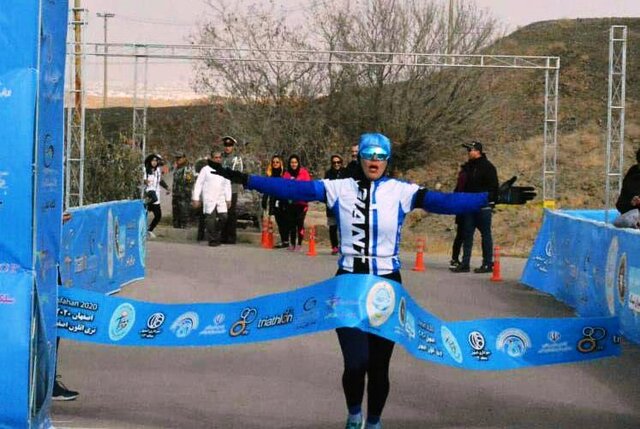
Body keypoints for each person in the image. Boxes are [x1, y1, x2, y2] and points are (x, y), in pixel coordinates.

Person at [208, 132, 502, 429]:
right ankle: (354, 416)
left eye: (381, 156)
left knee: (379, 367)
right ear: (359, 157)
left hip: (387, 284)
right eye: (369, 154)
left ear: (387, 160)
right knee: (355, 363)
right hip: (349, 282)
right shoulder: (340, 188)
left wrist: (487, 197)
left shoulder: (400, 191)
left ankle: (373, 422)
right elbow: (292, 187)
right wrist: (245, 179)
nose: (374, 160)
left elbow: (445, 201)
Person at [450, 141, 499, 274]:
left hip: (483, 206)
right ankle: (465, 263)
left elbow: (494, 187)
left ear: (478, 151)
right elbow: (461, 186)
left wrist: (489, 201)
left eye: (470, 150)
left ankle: (487, 263)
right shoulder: (468, 167)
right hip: (468, 205)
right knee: (467, 235)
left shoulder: (488, 167)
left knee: (486, 235)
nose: (468, 152)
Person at [192, 151, 232, 247]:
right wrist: (196, 198)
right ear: (211, 158)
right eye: (216, 157)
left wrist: (228, 198)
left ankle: (214, 233)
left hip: (221, 198)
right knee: (211, 220)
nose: (218, 159)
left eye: (219, 157)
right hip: (209, 198)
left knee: (224, 217)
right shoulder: (205, 170)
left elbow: (227, 185)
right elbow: (198, 184)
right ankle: (213, 240)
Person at [283, 155, 312, 251]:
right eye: (292, 162)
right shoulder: (286, 174)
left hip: (301, 203)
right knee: (291, 224)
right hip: (290, 203)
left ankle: (299, 243)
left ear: (298, 163)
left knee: (299, 223)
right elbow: (284, 187)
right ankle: (292, 243)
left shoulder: (304, 173)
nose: (294, 164)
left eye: (295, 162)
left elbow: (308, 186)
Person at [261, 155, 290, 248]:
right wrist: (264, 199)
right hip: (274, 199)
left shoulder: (284, 174)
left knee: (284, 220)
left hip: (283, 199)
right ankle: (284, 240)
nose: (275, 164)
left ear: (280, 163)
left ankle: (286, 240)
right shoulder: (270, 174)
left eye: (277, 162)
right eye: (273, 162)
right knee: (279, 220)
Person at [220, 136, 243, 244]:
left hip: (232, 188)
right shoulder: (221, 157)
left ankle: (231, 236)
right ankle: (223, 235)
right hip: (221, 189)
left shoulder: (236, 159)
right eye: (226, 145)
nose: (227, 147)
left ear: (233, 146)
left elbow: (238, 173)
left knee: (231, 213)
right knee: (222, 212)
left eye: (229, 145)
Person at [143, 153, 170, 238]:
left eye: (156, 161)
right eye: (153, 160)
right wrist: (145, 181)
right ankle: (142, 231)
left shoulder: (157, 170)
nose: (154, 162)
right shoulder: (145, 169)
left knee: (158, 215)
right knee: (144, 213)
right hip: (148, 194)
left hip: (156, 195)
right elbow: (143, 179)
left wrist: (167, 187)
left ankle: (149, 230)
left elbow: (160, 180)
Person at [613, 148, 640, 228]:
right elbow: (621, 204)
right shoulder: (633, 173)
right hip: (632, 214)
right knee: (628, 219)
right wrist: (632, 202)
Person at [325, 154, 346, 254]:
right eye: (334, 162)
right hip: (332, 202)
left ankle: (344, 246)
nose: (336, 164)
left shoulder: (345, 172)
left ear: (341, 162)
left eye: (338, 162)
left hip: (344, 203)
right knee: (332, 226)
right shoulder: (328, 174)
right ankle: (334, 246)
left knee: (344, 226)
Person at [171, 151, 195, 229]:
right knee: (176, 217)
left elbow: (190, 182)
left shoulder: (187, 169)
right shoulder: (177, 168)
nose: (178, 160)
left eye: (180, 158)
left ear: (184, 158)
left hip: (183, 197)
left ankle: (185, 232)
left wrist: (185, 194)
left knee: (184, 216)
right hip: (176, 195)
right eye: (177, 158)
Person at [449, 163, 466, 268]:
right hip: (464, 207)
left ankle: (455, 258)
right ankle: (458, 258)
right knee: (462, 235)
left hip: (460, 207)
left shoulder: (462, 175)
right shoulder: (466, 176)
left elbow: (456, 192)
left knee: (460, 235)